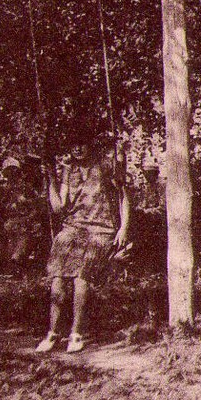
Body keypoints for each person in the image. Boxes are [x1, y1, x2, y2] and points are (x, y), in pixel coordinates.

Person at [36, 132, 130, 353]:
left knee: (81, 280)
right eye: (73, 145)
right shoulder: (69, 171)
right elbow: (59, 208)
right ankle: (53, 333)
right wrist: (51, 179)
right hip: (73, 228)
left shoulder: (107, 166)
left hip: (101, 229)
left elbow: (123, 197)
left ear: (90, 145)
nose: (77, 149)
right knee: (57, 280)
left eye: (82, 144)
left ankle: (76, 333)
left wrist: (123, 227)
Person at [0, 156, 47, 270]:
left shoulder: (26, 188)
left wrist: (28, 218)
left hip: (26, 222)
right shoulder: (3, 190)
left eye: (14, 171)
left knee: (23, 239)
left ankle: (18, 260)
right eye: (8, 172)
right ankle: (11, 262)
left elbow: (36, 207)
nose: (12, 174)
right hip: (10, 222)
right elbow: (0, 210)